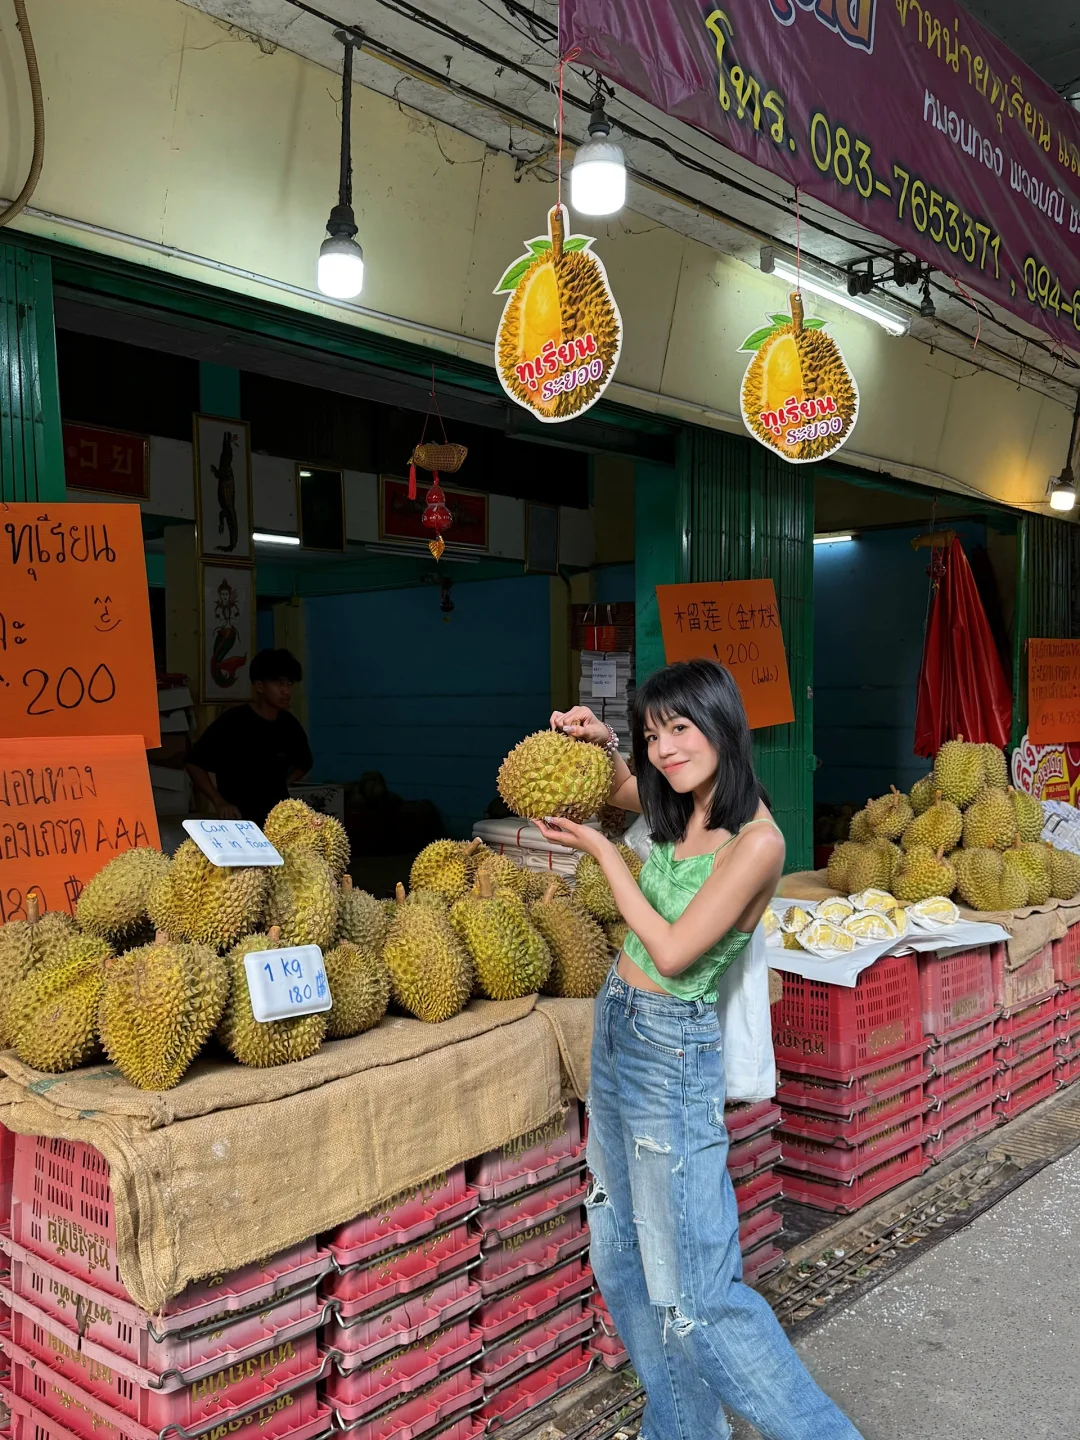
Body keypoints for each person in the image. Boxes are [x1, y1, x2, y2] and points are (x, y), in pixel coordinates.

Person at [536, 659, 863, 1440]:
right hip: (619, 1027)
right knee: (619, 1252)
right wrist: (601, 742)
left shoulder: (758, 841)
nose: (666, 749)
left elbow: (676, 951)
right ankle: (681, 1430)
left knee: (700, 1296)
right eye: (654, 735)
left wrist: (606, 855)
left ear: (722, 724)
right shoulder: (682, 804)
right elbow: (626, 788)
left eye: (680, 729)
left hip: (669, 1051)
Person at [187, 649, 313, 827]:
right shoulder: (233, 721)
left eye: (289, 684)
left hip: (280, 822)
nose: (286, 691)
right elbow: (194, 763)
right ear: (259, 686)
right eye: (279, 684)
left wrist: (279, 785)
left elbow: (304, 763)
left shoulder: (288, 724)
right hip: (238, 821)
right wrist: (219, 802)